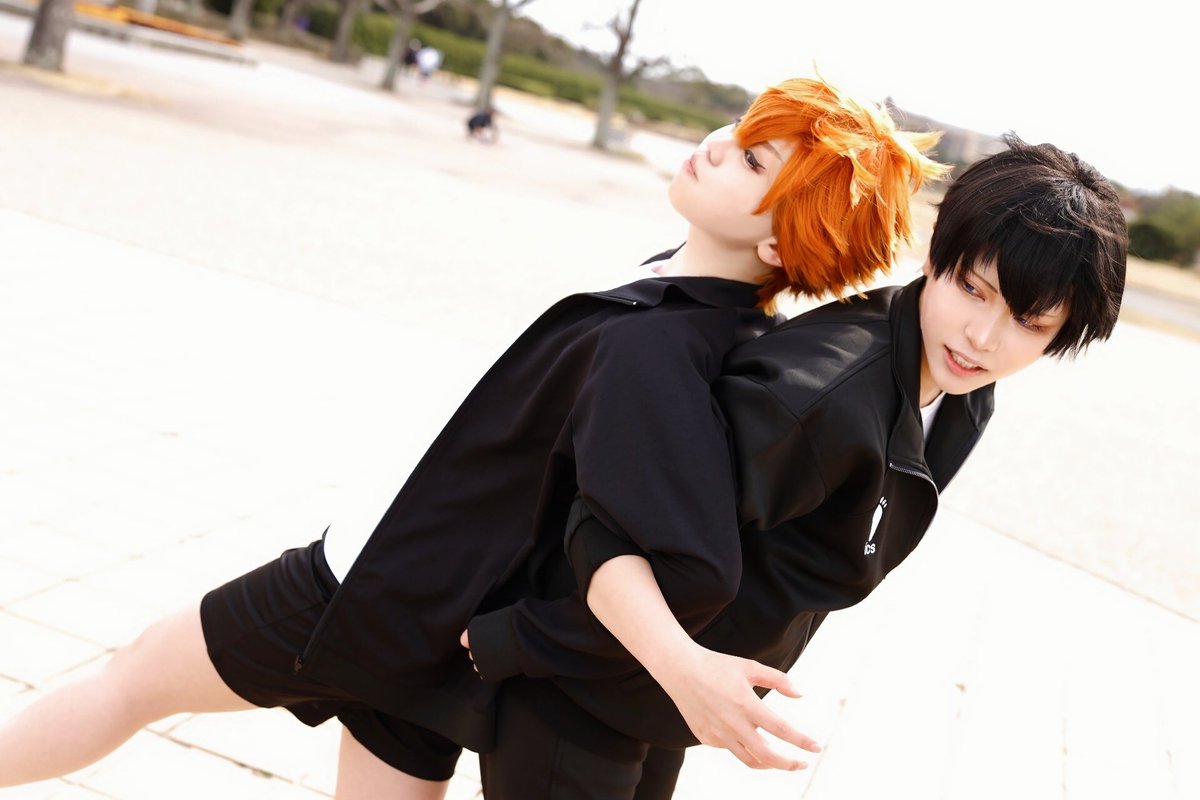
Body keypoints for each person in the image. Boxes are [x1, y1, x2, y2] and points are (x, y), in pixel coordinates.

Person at [0, 78, 943, 799]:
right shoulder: (690, 303)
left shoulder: (663, 348)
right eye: (739, 129)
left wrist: (565, 645)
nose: (716, 146)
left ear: (779, 243)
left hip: (370, 587)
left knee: (133, 678)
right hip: (429, 614)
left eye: (752, 161)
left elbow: (684, 559)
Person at [464, 134, 1128, 798]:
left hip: (665, 701)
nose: (982, 337)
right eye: (971, 289)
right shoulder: (813, 400)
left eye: (1028, 322)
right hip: (582, 692)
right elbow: (605, 517)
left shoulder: (965, 396)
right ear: (934, 253)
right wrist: (548, 645)